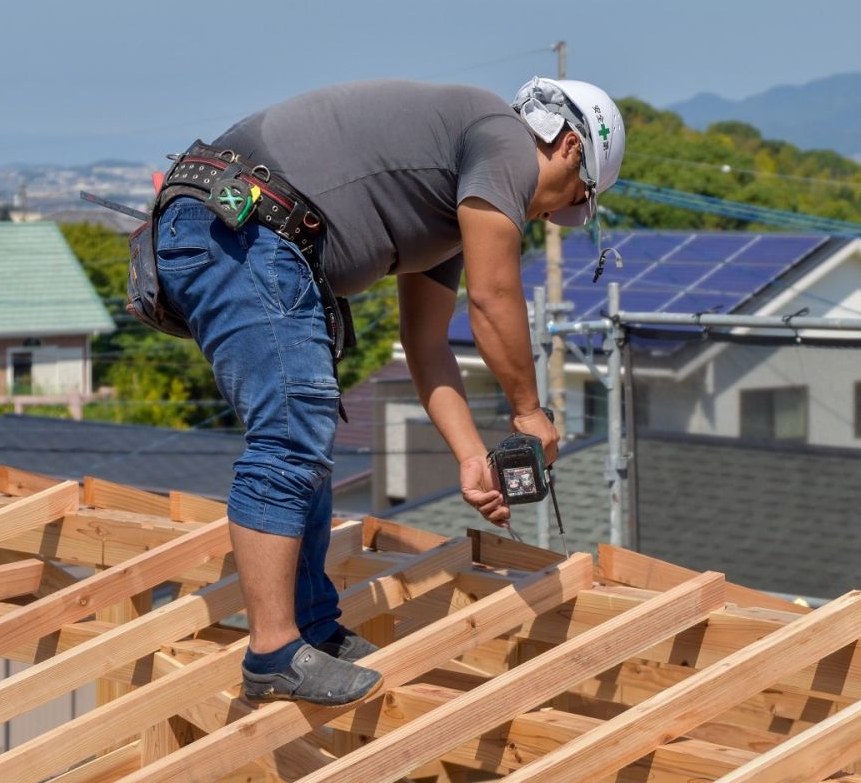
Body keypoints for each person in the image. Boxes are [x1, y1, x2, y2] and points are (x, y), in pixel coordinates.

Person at [152, 76, 625, 706]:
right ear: (568, 146)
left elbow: (426, 346)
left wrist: (469, 457)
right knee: (290, 435)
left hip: (240, 226)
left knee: (305, 437)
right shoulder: (502, 140)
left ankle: (312, 633)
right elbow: (494, 296)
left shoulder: (454, 201)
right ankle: (272, 653)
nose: (548, 217)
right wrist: (529, 413)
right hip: (240, 224)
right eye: (570, 198)